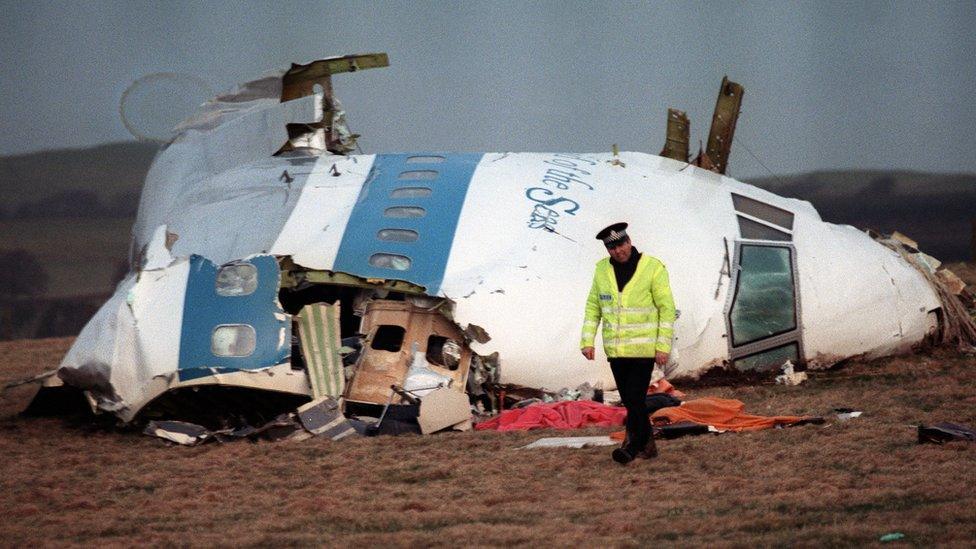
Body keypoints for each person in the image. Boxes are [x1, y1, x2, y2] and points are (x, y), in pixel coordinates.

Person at [580, 222, 676, 464]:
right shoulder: (602, 270)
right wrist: (587, 340)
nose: (618, 251)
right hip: (616, 350)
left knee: (634, 400)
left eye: (621, 244)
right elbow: (594, 307)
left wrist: (662, 346)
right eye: (611, 248)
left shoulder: (653, 267)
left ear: (629, 241)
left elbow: (667, 309)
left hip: (643, 350)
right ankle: (648, 446)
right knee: (633, 402)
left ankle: (631, 448)